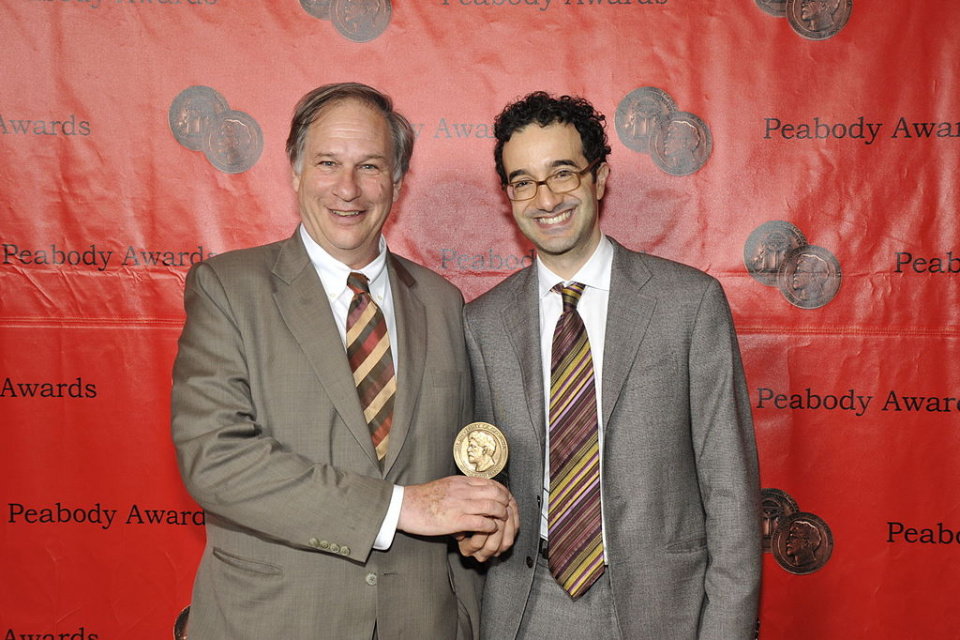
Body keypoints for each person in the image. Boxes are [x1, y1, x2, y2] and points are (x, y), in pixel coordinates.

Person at [171, 82, 516, 639]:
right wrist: (399, 507)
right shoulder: (228, 290)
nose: (348, 189)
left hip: (424, 622)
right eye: (329, 162)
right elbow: (215, 460)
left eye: (370, 166)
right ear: (295, 171)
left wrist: (489, 515)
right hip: (275, 620)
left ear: (398, 182)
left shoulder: (442, 301)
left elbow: (472, 450)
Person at [460, 91, 761, 639]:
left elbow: (731, 493)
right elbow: (480, 471)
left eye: (563, 173)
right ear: (508, 197)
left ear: (599, 179)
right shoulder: (482, 324)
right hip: (529, 607)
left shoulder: (689, 304)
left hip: (663, 606)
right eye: (523, 181)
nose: (545, 197)